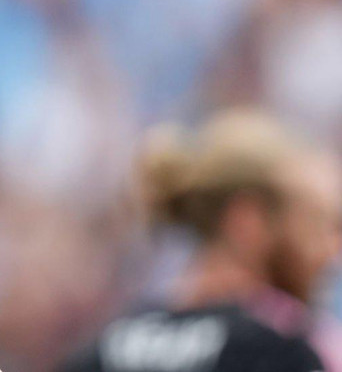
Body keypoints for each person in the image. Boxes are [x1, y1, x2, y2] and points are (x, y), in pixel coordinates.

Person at [61, 109, 342, 372]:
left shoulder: (102, 350)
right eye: (314, 223)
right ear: (246, 220)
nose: (332, 251)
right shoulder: (289, 351)